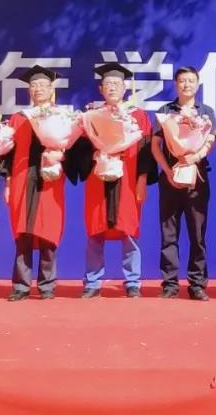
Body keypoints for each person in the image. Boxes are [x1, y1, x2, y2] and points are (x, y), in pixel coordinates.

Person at [68, 63, 156, 299]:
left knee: (129, 231)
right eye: (108, 84)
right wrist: (95, 154)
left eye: (117, 84)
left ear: (125, 88)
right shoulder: (92, 115)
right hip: (98, 179)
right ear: (101, 88)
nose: (113, 88)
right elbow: (80, 147)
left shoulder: (138, 116)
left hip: (128, 179)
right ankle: (92, 282)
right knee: (95, 231)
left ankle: (133, 281)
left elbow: (146, 151)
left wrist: (142, 180)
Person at [1, 65, 73, 301]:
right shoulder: (18, 118)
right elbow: (7, 153)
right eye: (34, 85)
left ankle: (47, 285)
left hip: (50, 179)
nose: (38, 89)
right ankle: (21, 286)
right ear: (29, 90)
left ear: (51, 89)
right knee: (22, 232)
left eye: (43, 85)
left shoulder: (62, 116)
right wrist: (8, 182)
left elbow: (73, 148)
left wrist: (61, 155)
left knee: (47, 232)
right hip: (22, 178)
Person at [151, 66, 216, 301]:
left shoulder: (206, 112)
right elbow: (155, 146)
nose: (186, 85)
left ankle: (197, 284)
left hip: (197, 178)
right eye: (182, 81)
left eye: (191, 81)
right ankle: (169, 283)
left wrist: (195, 157)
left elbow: (210, 142)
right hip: (170, 178)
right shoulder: (165, 111)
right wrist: (168, 171)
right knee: (169, 232)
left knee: (197, 234)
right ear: (176, 84)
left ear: (197, 84)